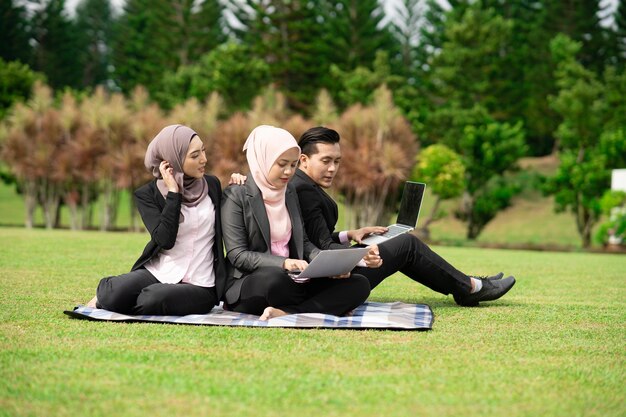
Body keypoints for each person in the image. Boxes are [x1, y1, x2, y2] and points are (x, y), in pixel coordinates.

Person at [291, 126, 516, 307]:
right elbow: (318, 248)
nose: (332, 168)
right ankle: (470, 288)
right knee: (406, 244)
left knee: (396, 240)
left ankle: (468, 284)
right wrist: (360, 256)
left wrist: (350, 234)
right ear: (303, 160)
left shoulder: (301, 185)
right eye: (326, 161)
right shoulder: (304, 190)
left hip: (326, 269)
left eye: (337, 161)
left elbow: (312, 236)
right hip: (326, 279)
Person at [220, 125, 371, 320]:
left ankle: (287, 312)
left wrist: (329, 265)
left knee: (358, 284)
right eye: (282, 164)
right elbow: (237, 255)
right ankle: (325, 306)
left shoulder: (289, 192)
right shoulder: (236, 195)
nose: (288, 172)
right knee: (275, 279)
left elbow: (304, 243)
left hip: (295, 278)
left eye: (292, 165)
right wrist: (283, 263)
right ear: (263, 160)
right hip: (253, 282)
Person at [85, 124, 226, 315]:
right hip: (160, 271)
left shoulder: (212, 185)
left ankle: (122, 302)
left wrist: (238, 184)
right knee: (113, 293)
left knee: (151, 299)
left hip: (201, 283)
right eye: (195, 155)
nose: (204, 159)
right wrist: (174, 193)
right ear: (172, 160)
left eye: (203, 151)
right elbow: (165, 240)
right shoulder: (147, 194)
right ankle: (111, 299)